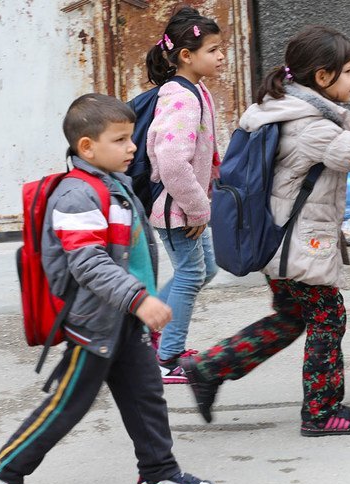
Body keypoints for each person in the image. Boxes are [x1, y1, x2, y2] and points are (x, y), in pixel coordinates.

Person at [180, 26, 350, 436]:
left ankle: (209, 368)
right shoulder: (309, 125)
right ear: (323, 77)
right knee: (329, 317)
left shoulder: (294, 106)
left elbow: (345, 128)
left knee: (291, 317)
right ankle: (322, 412)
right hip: (297, 243)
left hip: (277, 238)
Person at [0, 94, 214, 484]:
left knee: (146, 396)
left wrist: (137, 304)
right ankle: (2, 471)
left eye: (130, 137)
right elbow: (88, 263)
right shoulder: (77, 196)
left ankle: (158, 474)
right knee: (69, 403)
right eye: (120, 140)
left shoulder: (111, 182)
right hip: (96, 320)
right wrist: (139, 299)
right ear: (87, 147)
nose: (132, 147)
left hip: (123, 318)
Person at [144, 7, 223, 384]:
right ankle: (167, 358)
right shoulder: (181, 97)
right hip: (178, 208)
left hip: (186, 206)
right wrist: (198, 210)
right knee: (192, 274)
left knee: (206, 269)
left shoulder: (196, 90)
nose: (220, 56)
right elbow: (173, 162)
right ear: (186, 56)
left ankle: (149, 324)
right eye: (213, 50)